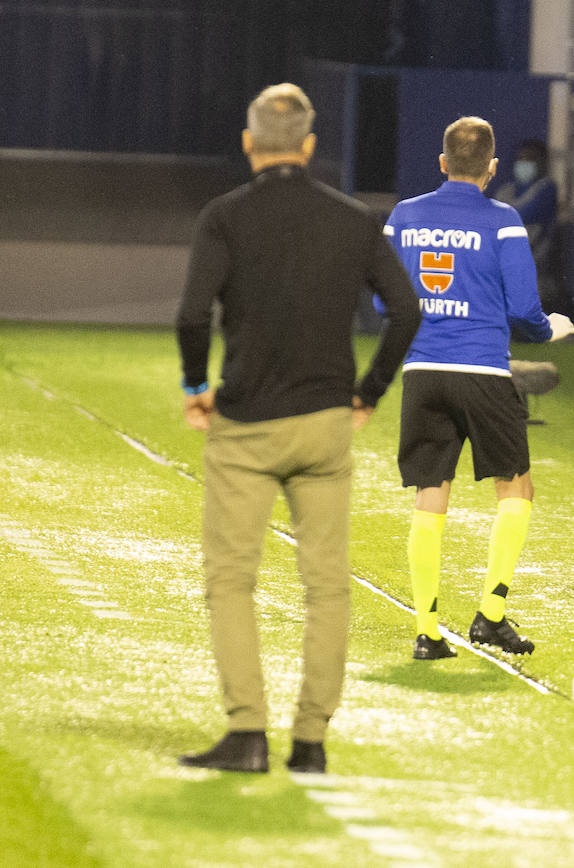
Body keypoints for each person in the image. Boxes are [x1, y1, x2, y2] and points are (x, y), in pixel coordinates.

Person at [175, 83, 421, 774]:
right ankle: (310, 741)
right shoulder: (351, 219)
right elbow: (405, 312)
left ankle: (248, 733)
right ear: (310, 146)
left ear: (250, 143)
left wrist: (198, 387)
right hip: (323, 424)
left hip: (246, 425)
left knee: (230, 580)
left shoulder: (225, 217)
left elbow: (193, 316)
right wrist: (368, 393)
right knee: (327, 585)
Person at [382, 116, 574, 661]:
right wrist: (549, 328)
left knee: (430, 495)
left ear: (443, 164)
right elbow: (523, 309)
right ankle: (490, 615)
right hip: (485, 374)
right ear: (491, 169)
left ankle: (427, 630)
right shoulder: (504, 221)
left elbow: (383, 302)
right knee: (516, 491)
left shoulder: (403, 217)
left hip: (422, 375)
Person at [493, 138, 574, 338]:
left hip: (536, 261)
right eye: (521, 159)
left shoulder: (546, 188)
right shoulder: (505, 191)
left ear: (541, 162)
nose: (524, 164)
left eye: (530, 160)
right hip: (505, 263)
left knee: (549, 300)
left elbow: (518, 215)